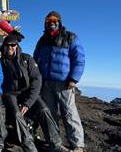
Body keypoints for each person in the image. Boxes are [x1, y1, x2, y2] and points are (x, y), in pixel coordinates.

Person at [1, 33, 71, 152]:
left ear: (16, 46)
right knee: (18, 115)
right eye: (7, 45)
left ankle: (55, 144)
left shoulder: (26, 59)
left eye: (12, 45)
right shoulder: (1, 61)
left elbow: (36, 80)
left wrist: (28, 103)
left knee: (43, 109)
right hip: (10, 94)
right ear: (4, 46)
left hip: (27, 93)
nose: (10, 47)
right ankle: (30, 147)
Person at [33, 11, 85, 152]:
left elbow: (79, 59)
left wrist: (74, 78)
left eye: (54, 20)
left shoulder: (70, 37)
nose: (51, 23)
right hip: (46, 83)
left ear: (59, 22)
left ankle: (77, 145)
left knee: (69, 113)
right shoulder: (42, 40)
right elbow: (35, 59)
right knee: (50, 114)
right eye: (48, 20)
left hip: (65, 84)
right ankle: (54, 143)